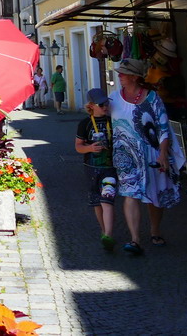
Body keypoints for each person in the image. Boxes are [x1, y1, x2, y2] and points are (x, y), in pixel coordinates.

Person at [109, 58, 184, 256]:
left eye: (123, 73)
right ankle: (134, 239)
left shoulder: (152, 98)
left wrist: (162, 153)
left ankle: (155, 230)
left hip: (151, 154)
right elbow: (100, 112)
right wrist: (92, 108)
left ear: (135, 77)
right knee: (129, 193)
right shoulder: (113, 98)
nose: (120, 76)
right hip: (125, 155)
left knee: (155, 193)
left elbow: (163, 128)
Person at [74, 87, 118, 251]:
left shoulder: (112, 121)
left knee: (107, 200)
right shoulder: (84, 124)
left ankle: (109, 235)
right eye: (101, 104)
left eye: (106, 103)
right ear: (91, 105)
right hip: (91, 168)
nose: (105, 106)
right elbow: (78, 147)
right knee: (97, 202)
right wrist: (90, 148)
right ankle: (103, 230)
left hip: (110, 168)